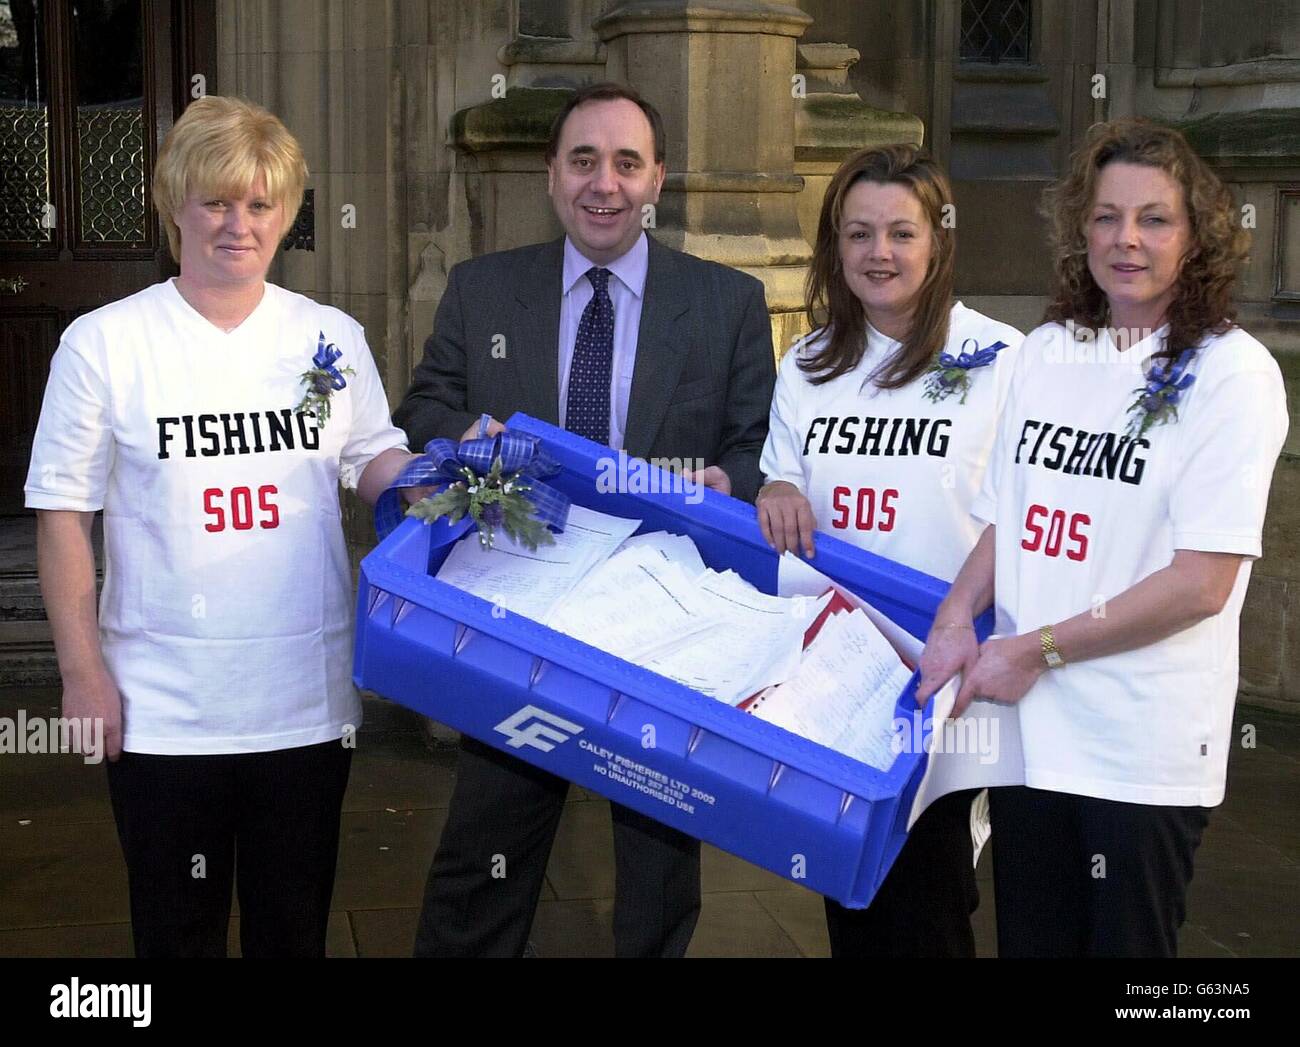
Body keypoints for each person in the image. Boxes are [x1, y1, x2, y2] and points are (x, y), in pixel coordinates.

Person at [26, 96, 420, 958]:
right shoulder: (104, 344)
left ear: (285, 212)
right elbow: (63, 514)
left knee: (293, 933)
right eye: (216, 202)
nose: (239, 224)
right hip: (164, 712)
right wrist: (82, 671)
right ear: (175, 206)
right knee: (176, 936)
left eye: (260, 204)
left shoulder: (330, 338)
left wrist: (449, 480)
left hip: (305, 709)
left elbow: (373, 464)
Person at [396, 82, 775, 958]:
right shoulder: (483, 290)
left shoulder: (727, 303)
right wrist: (467, 436)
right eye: (583, 160)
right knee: (485, 850)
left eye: (627, 163)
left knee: (658, 869)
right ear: (551, 174)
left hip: (663, 623)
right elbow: (425, 405)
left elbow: (760, 444)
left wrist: (732, 480)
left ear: (658, 180)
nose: (604, 183)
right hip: (518, 605)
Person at [916, 117, 1289, 957]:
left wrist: (1033, 649)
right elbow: (1005, 518)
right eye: (1106, 216)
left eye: (1154, 218)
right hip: (1028, 739)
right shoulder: (1047, 352)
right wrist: (953, 618)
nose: (1126, 239)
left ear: (1197, 236)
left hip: (1137, 744)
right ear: (1080, 227)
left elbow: (1201, 582)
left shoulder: (1233, 376)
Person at [757, 144, 1023, 957]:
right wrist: (775, 491)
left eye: (902, 233)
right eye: (859, 234)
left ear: (938, 240)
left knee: (935, 892)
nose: (880, 254)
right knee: (854, 886)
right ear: (835, 247)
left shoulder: (1003, 359)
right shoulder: (806, 361)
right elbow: (780, 480)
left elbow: (1020, 511)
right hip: (839, 667)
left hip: (950, 666)